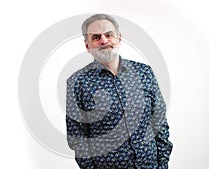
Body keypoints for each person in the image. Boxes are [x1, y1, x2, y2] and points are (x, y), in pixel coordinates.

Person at [66, 14, 173, 169]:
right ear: (87, 46)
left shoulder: (144, 72)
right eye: (96, 37)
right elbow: (77, 138)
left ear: (119, 38)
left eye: (109, 35)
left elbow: (159, 122)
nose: (104, 41)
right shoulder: (77, 82)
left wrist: (162, 163)